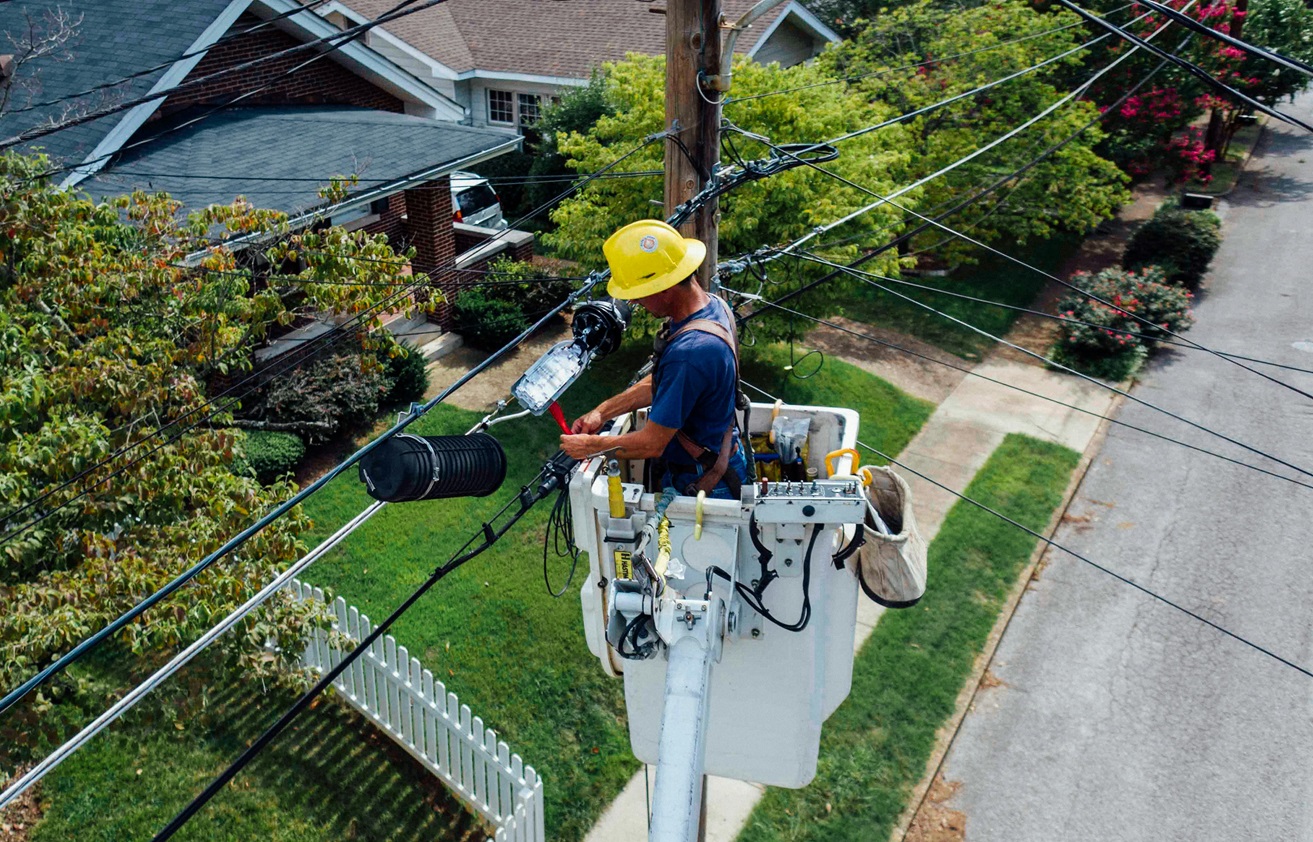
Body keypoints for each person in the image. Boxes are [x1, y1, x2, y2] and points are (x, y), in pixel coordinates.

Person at [559, 219, 750, 499]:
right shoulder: (712, 306)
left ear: (664, 287)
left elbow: (651, 444)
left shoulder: (691, 352)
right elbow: (664, 383)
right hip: (717, 460)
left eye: (638, 295)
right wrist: (603, 411)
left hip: (704, 481)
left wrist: (590, 446)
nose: (635, 303)